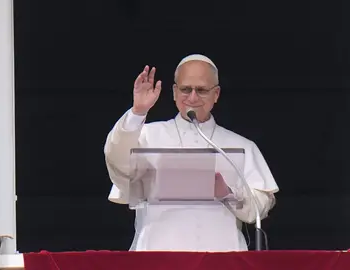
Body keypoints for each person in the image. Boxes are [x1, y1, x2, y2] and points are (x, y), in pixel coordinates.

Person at [104, 54, 279, 251]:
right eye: (186, 89)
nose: (193, 97)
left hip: (222, 257)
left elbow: (259, 210)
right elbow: (118, 166)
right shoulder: (146, 135)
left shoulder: (241, 145)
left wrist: (227, 194)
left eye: (202, 90)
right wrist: (137, 112)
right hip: (157, 255)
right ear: (174, 92)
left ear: (216, 94)